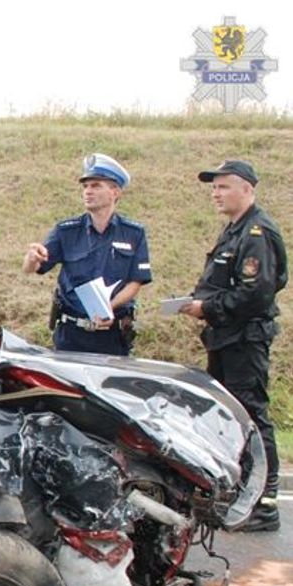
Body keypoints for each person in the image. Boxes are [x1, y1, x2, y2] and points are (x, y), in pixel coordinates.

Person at [179, 159, 287, 532]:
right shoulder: (235, 231)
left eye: (223, 186)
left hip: (245, 339)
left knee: (253, 417)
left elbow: (255, 294)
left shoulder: (257, 232)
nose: (216, 193)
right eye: (214, 187)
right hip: (226, 337)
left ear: (247, 188)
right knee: (231, 418)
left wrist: (206, 307)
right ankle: (241, 491)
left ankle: (265, 504)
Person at [23, 154, 152, 355]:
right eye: (85, 186)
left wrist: (109, 307)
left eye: (96, 185)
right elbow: (34, 268)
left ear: (115, 192)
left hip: (112, 337)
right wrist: (31, 259)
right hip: (71, 335)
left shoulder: (134, 233)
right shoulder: (66, 231)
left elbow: (136, 282)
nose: (88, 191)